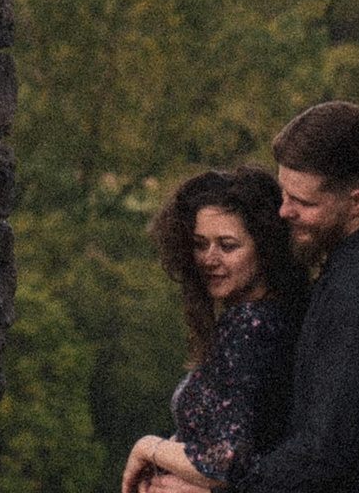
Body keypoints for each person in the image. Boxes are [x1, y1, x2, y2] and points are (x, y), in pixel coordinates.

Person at [229, 102, 359, 493]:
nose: (283, 211)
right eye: (284, 193)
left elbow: (323, 454)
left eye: (303, 203)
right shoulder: (357, 264)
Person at [121, 167, 306, 493]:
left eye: (228, 245)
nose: (209, 259)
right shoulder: (274, 315)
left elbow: (225, 461)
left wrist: (149, 447)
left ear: (264, 250)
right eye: (199, 244)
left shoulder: (251, 327)